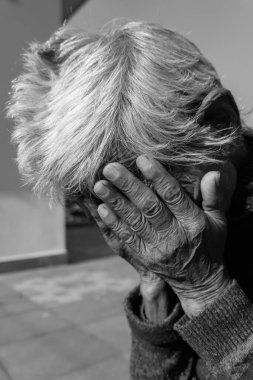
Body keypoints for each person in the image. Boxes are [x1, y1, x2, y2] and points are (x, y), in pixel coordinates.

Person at [6, 21, 253, 379]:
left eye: (135, 193)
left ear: (219, 125)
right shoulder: (178, 244)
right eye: (93, 205)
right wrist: (155, 295)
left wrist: (205, 289)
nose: (130, 231)